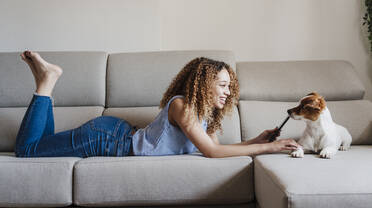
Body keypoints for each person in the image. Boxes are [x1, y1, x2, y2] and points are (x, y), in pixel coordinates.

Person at [15, 51, 299, 158]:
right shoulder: (183, 106)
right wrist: (268, 147)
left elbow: (219, 148)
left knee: (43, 145)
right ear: (203, 85)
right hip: (106, 140)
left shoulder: (202, 113)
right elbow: (211, 152)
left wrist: (255, 140)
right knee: (27, 151)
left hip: (115, 134)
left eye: (229, 86)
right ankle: (47, 82)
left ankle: (46, 84)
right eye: (222, 86)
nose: (227, 93)